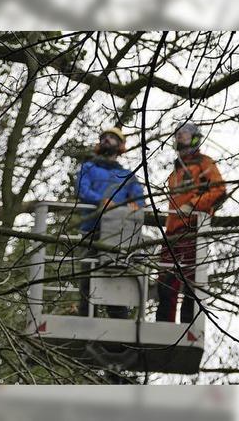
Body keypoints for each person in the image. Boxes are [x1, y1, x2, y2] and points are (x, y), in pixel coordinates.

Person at [156, 121, 226, 323]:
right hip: (172, 233)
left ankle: (188, 325)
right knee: (165, 280)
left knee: (189, 280)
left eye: (184, 133)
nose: (179, 136)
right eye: (177, 133)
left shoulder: (204, 163)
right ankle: (163, 326)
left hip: (192, 230)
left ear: (194, 136)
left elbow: (219, 191)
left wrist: (194, 205)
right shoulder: (175, 172)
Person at [75, 126, 144, 318]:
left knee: (115, 275)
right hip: (92, 230)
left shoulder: (127, 175)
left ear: (120, 146)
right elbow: (82, 190)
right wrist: (101, 201)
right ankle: (86, 318)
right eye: (104, 137)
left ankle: (119, 319)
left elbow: (138, 200)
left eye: (112, 138)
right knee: (88, 277)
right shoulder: (88, 168)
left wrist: (134, 207)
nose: (107, 140)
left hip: (117, 233)